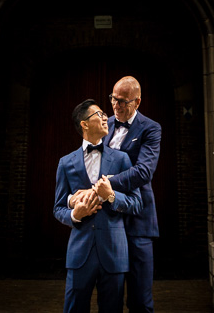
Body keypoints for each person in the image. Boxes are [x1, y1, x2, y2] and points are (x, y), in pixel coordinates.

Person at [54, 99, 143, 313]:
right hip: (79, 253)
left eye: (105, 114)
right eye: (99, 114)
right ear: (84, 124)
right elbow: (58, 208)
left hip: (113, 251)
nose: (106, 117)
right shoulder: (65, 163)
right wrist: (75, 214)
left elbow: (137, 204)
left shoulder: (122, 160)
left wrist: (112, 196)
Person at [103, 77, 161, 313]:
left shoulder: (151, 128)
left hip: (139, 223)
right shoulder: (104, 124)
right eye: (113, 99)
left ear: (137, 102)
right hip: (108, 221)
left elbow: (144, 171)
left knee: (140, 300)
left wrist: (108, 183)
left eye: (123, 102)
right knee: (109, 299)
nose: (116, 106)